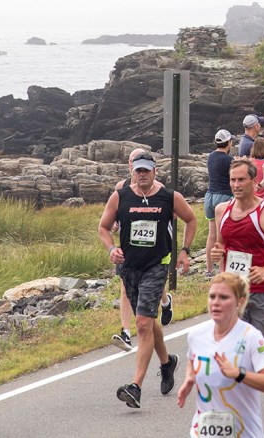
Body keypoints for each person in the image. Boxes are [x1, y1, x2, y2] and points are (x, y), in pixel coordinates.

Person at [98, 152, 198, 408]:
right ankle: (167, 363)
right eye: (138, 170)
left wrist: (184, 251)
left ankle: (136, 387)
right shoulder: (120, 196)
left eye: (146, 170)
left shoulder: (169, 197)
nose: (142, 175)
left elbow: (191, 219)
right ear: (133, 172)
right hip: (129, 268)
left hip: (156, 266)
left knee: (142, 324)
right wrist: (111, 249)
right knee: (148, 322)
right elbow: (103, 227)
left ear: (155, 172)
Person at [176, 273, 264, 438]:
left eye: (224, 297)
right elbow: (192, 357)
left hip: (244, 433)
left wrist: (239, 374)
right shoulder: (196, 335)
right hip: (203, 431)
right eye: (212, 296)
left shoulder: (251, 337)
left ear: (239, 302)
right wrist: (190, 377)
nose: (216, 302)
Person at [208, 160, 264, 348]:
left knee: (258, 350)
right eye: (232, 180)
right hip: (231, 291)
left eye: (241, 180)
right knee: (232, 350)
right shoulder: (221, 210)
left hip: (261, 291)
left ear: (254, 181)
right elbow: (221, 243)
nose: (236, 185)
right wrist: (217, 251)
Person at [110, 148, 175, 351]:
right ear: (129, 165)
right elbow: (113, 214)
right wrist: (115, 225)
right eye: (131, 161)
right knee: (125, 286)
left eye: (137, 161)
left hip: (155, 251)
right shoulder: (121, 188)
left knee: (153, 283)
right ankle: (126, 332)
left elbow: (170, 214)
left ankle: (165, 301)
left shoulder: (159, 189)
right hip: (129, 251)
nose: (134, 165)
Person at [204, 130, 235, 276]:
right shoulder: (229, 160)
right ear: (229, 143)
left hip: (210, 196)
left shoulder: (211, 156)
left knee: (212, 234)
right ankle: (223, 267)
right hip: (224, 196)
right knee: (224, 235)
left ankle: (209, 269)